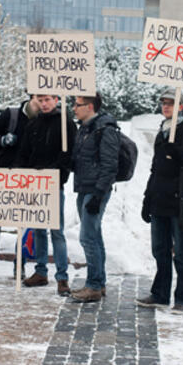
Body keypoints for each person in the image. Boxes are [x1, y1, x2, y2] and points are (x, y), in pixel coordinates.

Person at [136, 88, 183, 312]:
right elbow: (155, 169)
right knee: (159, 250)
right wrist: (147, 199)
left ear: (181, 107)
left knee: (182, 253)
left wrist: (180, 155)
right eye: (163, 103)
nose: (166, 106)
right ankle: (160, 293)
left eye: (171, 103)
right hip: (159, 200)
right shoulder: (161, 132)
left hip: (179, 201)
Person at [16, 94, 75, 296]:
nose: (44, 103)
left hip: (53, 182)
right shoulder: (33, 125)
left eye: (48, 99)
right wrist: (23, 174)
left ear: (57, 100)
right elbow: (24, 153)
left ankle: (62, 277)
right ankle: (41, 271)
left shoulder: (66, 124)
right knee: (38, 228)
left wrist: (56, 174)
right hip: (34, 183)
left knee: (56, 231)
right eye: (41, 100)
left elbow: (68, 155)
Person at [0, 95, 40, 278]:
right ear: (31, 98)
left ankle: (20, 263)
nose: (41, 104)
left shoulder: (44, 118)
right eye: (38, 100)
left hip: (28, 175)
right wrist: (3, 139)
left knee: (24, 221)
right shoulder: (11, 114)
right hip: (4, 173)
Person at [70, 92, 121, 303]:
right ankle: (99, 283)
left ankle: (93, 285)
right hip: (84, 187)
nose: (74, 108)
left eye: (78, 104)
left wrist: (98, 196)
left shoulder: (105, 129)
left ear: (90, 107)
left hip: (95, 190)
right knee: (94, 236)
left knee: (87, 237)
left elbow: (110, 166)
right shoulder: (85, 128)